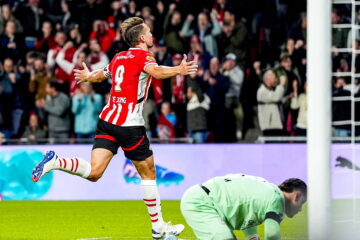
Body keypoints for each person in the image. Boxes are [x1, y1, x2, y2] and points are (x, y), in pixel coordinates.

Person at [32, 17, 198, 239]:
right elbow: (156, 72)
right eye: (148, 33)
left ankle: (55, 162)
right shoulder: (144, 56)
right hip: (130, 125)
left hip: (108, 121)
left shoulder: (119, 57)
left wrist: (88, 76)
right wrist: (179, 69)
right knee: (148, 173)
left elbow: (102, 74)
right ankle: (158, 226)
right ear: (141, 38)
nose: (151, 36)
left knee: (94, 172)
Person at [181, 174, 307, 240]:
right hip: (202, 203)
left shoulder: (269, 191)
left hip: (201, 198)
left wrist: (251, 237)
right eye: (302, 203)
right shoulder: (278, 199)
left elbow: (248, 206)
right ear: (296, 196)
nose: (300, 209)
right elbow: (272, 233)